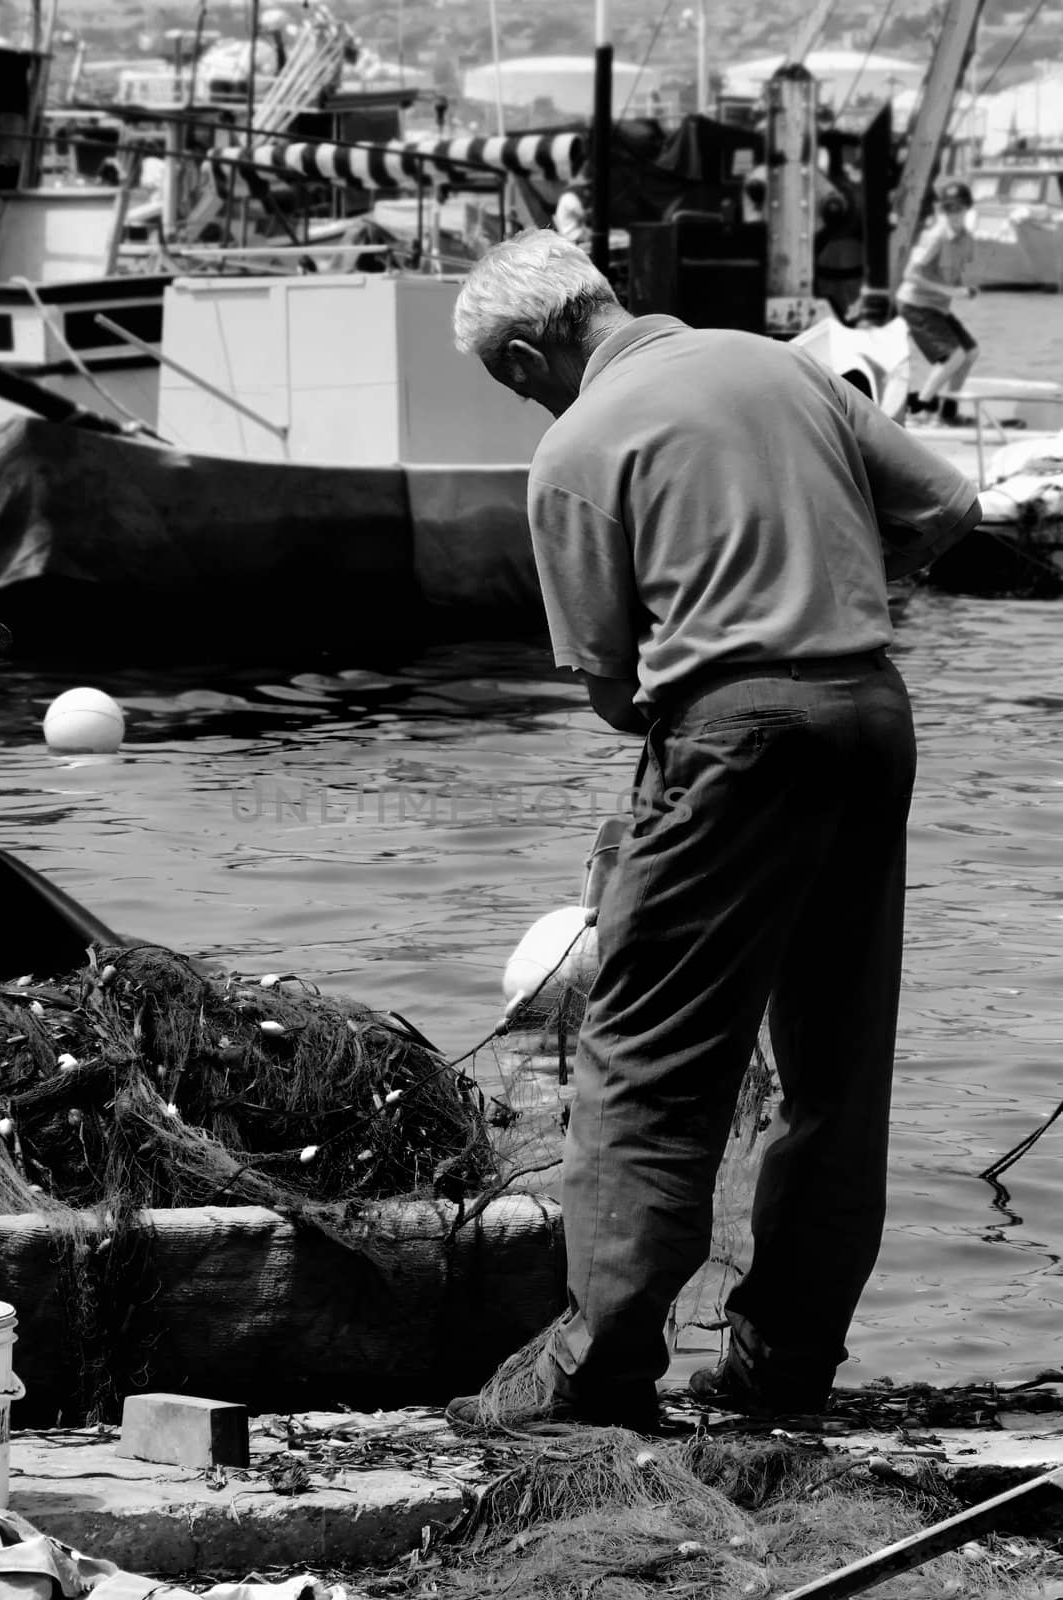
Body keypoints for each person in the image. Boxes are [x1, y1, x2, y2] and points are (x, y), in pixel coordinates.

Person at [446, 229, 982, 1432]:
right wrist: (839, 575)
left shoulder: (575, 448)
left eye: (510, 377)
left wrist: (709, 702)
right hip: (869, 715)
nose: (522, 397)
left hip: (733, 741)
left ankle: (601, 1372)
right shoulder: (788, 367)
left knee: (647, 1057)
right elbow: (950, 502)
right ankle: (783, 1371)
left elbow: (607, 684)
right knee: (835, 1067)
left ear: (532, 348)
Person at [896, 179, 979, 426]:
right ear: (943, 210)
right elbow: (910, 274)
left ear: (967, 209)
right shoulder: (935, 237)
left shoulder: (967, 240)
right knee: (954, 356)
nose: (953, 213)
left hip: (938, 307)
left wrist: (969, 288)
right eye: (948, 208)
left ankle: (948, 412)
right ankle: (918, 410)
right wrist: (948, 290)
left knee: (971, 353)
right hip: (914, 304)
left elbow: (963, 274)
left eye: (958, 207)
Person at [552, 176, 592, 250]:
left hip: (572, 230)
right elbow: (582, 215)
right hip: (572, 233)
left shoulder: (568, 197)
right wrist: (591, 212)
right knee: (598, 237)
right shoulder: (570, 198)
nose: (587, 192)